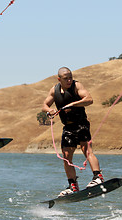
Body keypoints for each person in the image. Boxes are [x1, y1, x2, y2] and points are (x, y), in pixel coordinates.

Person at [42, 67, 104, 196]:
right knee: (66, 157)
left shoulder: (77, 86)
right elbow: (44, 105)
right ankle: (73, 186)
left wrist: (74, 104)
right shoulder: (54, 90)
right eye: (66, 78)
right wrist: (50, 110)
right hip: (68, 127)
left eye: (70, 77)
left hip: (81, 124)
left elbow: (89, 99)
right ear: (59, 79)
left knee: (86, 150)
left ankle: (98, 177)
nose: (69, 80)